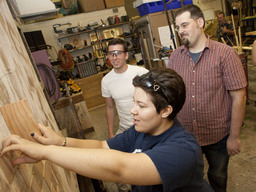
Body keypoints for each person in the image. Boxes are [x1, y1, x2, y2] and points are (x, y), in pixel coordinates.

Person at [1, 68, 213, 192]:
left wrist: (45, 153)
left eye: (141, 106)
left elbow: (120, 168)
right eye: (133, 102)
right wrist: (59, 142)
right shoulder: (140, 130)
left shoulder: (183, 149)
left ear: (166, 111)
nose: (132, 111)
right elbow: (103, 145)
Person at [168, 4, 247, 192]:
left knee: (218, 176)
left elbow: (239, 97)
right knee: (187, 177)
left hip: (217, 135)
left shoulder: (225, 55)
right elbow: (169, 94)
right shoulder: (175, 57)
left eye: (185, 25)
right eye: (178, 27)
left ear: (200, 22)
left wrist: (234, 137)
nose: (180, 31)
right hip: (184, 134)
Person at [102, 38, 148, 139]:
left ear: (126, 55)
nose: (114, 57)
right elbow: (109, 108)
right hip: (125, 128)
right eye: (111, 54)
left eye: (118, 53)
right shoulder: (106, 81)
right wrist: (110, 132)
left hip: (146, 125)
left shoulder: (141, 73)